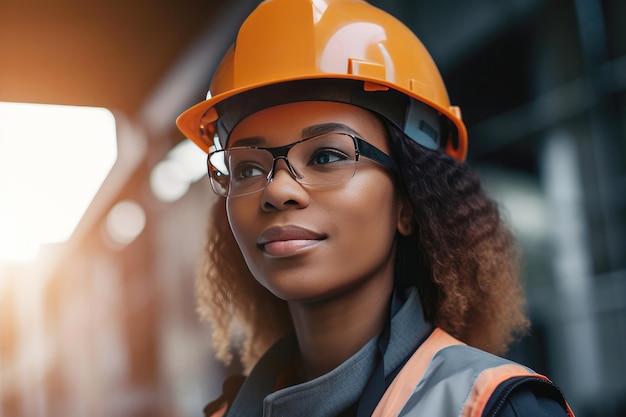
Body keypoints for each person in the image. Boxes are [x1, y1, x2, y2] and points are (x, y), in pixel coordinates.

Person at [176, 0, 575, 416]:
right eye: (246, 169)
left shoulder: (496, 408)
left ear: (408, 202)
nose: (276, 190)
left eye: (327, 156)